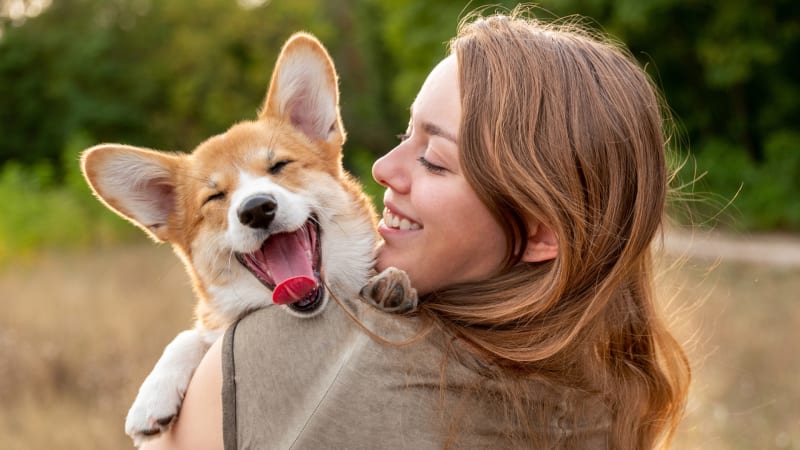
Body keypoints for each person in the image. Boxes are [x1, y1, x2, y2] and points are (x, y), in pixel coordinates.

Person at [143, 8, 690, 450]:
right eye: (406, 134)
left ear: (540, 230)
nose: (379, 168)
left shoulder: (296, 358)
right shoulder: (607, 394)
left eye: (433, 158)